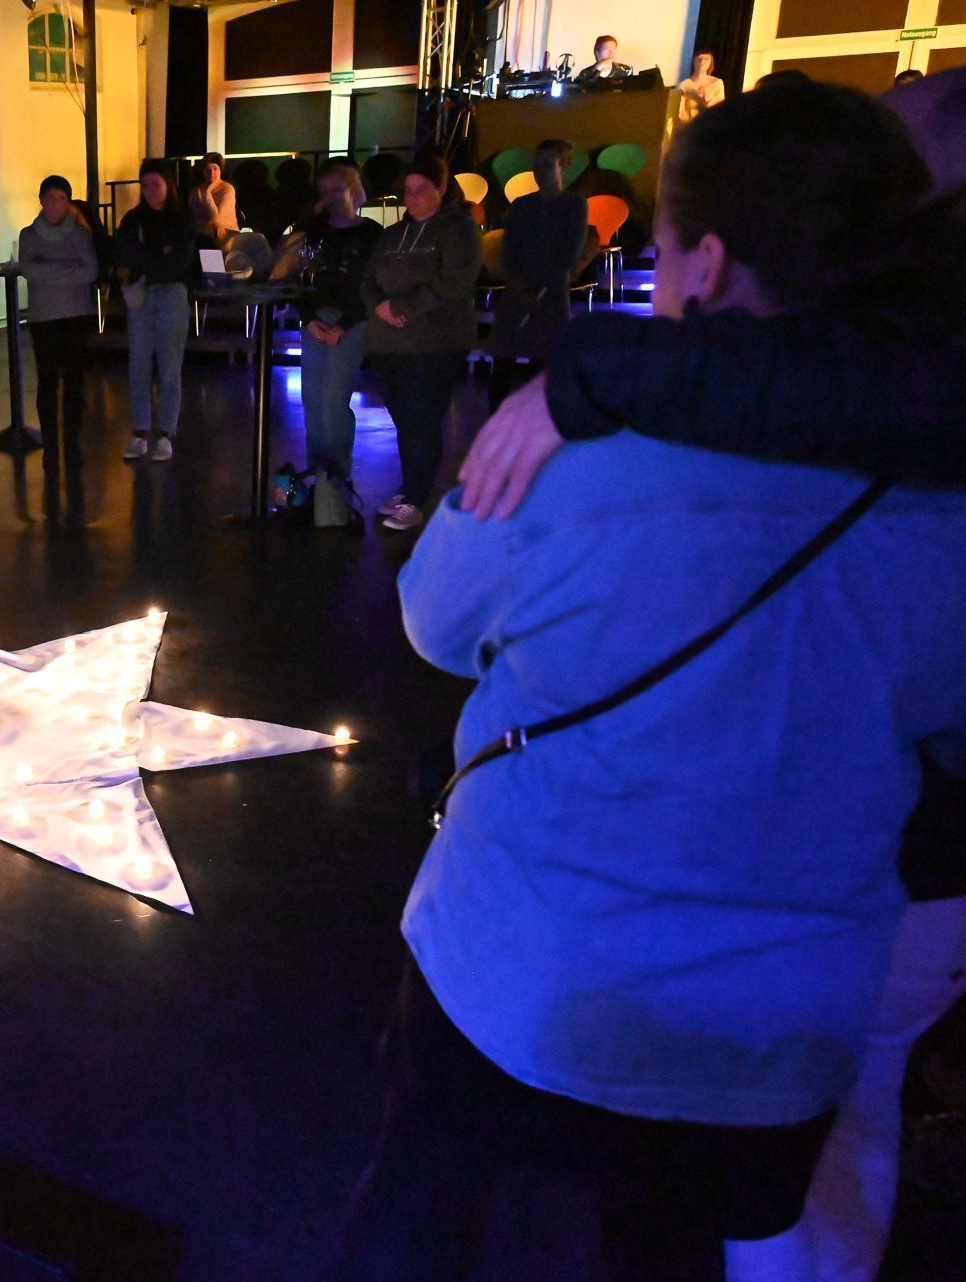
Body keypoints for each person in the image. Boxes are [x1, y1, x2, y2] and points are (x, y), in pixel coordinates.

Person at [337, 79, 966, 1281]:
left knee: (420, 1200)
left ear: (710, 263)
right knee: (671, 1246)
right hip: (776, 1022)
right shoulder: (941, 498)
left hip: (524, 960)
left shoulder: (561, 450)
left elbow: (430, 620)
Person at [359, 156, 480, 531]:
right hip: (389, 344)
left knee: (420, 422)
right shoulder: (393, 235)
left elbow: (454, 281)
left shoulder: (458, 229)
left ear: (441, 189)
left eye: (422, 189)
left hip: (434, 344)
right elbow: (368, 279)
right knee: (406, 422)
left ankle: (416, 500)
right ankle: (413, 486)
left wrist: (404, 306)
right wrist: (380, 308)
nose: (413, 197)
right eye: (408, 191)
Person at [296, 161, 382, 525]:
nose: (330, 197)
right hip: (316, 320)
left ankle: (337, 472)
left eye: (337, 189)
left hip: (351, 323)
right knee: (312, 400)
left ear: (353, 189)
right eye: (325, 190)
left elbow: (370, 286)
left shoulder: (372, 235)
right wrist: (308, 317)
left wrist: (344, 324)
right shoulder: (314, 232)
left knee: (333, 400)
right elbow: (300, 276)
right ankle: (317, 472)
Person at [486, 138, 590, 407]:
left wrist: (542, 287)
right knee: (503, 360)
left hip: (551, 291)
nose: (540, 170)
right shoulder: (521, 205)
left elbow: (570, 251)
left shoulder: (574, 204)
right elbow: (510, 250)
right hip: (520, 288)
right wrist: (519, 285)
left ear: (562, 167)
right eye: (537, 164)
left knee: (543, 362)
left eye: (548, 164)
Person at [114, 159, 198, 464]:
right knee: (138, 363)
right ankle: (140, 432)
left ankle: (165, 433)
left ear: (168, 185)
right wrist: (157, 258)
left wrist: (145, 261)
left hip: (172, 294)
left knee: (169, 365)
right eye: (145, 185)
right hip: (144, 294)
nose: (149, 190)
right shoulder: (133, 218)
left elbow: (180, 260)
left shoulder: (182, 218)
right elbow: (123, 255)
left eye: (155, 184)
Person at [18, 175, 99, 490]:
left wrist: (48, 271)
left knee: (75, 383)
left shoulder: (80, 235)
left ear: (68, 201)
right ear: (41, 200)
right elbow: (28, 268)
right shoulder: (29, 235)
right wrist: (69, 269)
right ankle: (51, 446)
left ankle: (72, 443)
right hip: (44, 318)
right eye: (50, 198)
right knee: (48, 382)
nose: (55, 205)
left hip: (76, 316)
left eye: (61, 199)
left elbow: (90, 270)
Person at [188, 152, 238, 243]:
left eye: (215, 169)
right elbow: (193, 217)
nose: (212, 173)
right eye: (208, 170)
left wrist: (207, 194)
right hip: (203, 234)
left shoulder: (227, 189)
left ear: (220, 170)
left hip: (226, 232)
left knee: (211, 231)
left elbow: (216, 218)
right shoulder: (197, 191)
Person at [677, 50, 727, 124]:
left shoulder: (717, 83)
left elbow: (719, 109)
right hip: (690, 126)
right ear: (693, 61)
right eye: (699, 59)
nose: (702, 62)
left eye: (706, 59)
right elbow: (679, 113)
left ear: (710, 63)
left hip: (710, 126)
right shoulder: (684, 85)